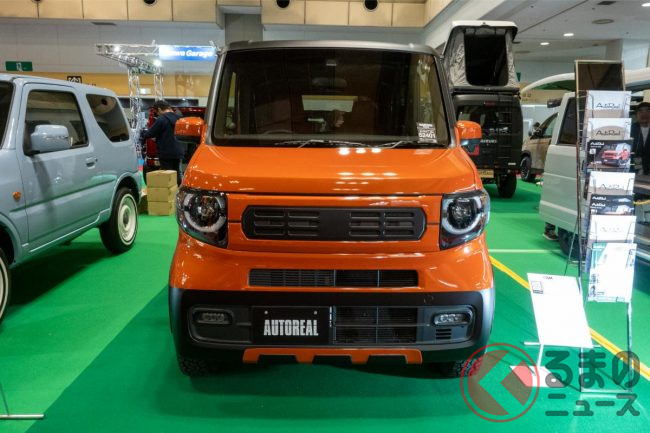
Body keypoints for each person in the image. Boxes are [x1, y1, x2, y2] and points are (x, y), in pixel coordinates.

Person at [142, 100, 184, 185]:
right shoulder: (179, 118)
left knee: (167, 175)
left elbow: (148, 134)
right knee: (177, 173)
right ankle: (178, 191)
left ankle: (169, 192)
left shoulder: (161, 119)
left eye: (156, 112)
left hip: (165, 152)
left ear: (159, 109)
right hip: (178, 151)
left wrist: (154, 137)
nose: (157, 114)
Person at [631, 101, 650, 175]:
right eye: (641, 111)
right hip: (635, 170)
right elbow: (635, 152)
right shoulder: (630, 129)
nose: (644, 114)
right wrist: (639, 168)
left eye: (648, 111)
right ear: (636, 115)